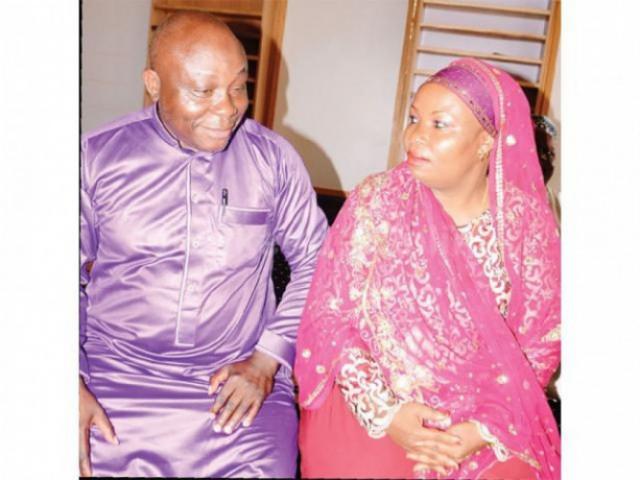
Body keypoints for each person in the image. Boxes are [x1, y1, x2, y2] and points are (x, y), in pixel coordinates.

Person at [79, 12, 327, 477]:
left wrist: (267, 360)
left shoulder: (273, 160)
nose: (228, 108)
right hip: (114, 378)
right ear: (154, 84)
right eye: (203, 91)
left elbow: (318, 261)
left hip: (237, 378)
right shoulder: (96, 157)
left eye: (237, 86)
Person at [294, 58, 560, 479]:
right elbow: (330, 316)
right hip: (376, 396)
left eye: (440, 125)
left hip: (486, 408)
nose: (416, 136)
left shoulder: (525, 224)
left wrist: (483, 429)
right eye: (415, 119)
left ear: (486, 142)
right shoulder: (376, 201)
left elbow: (543, 337)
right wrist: (387, 414)